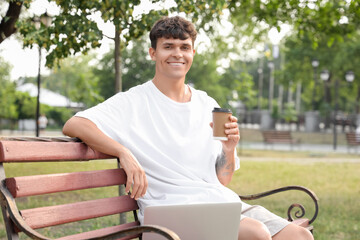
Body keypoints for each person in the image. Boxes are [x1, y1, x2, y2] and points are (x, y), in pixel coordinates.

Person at [63, 16, 313, 240]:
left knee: (299, 236)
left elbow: (222, 181)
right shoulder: (133, 101)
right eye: (168, 47)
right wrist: (123, 153)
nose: (177, 54)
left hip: (222, 204)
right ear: (153, 53)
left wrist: (228, 148)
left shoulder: (208, 104)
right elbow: (74, 124)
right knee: (255, 233)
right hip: (170, 213)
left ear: (193, 53)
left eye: (185, 47)